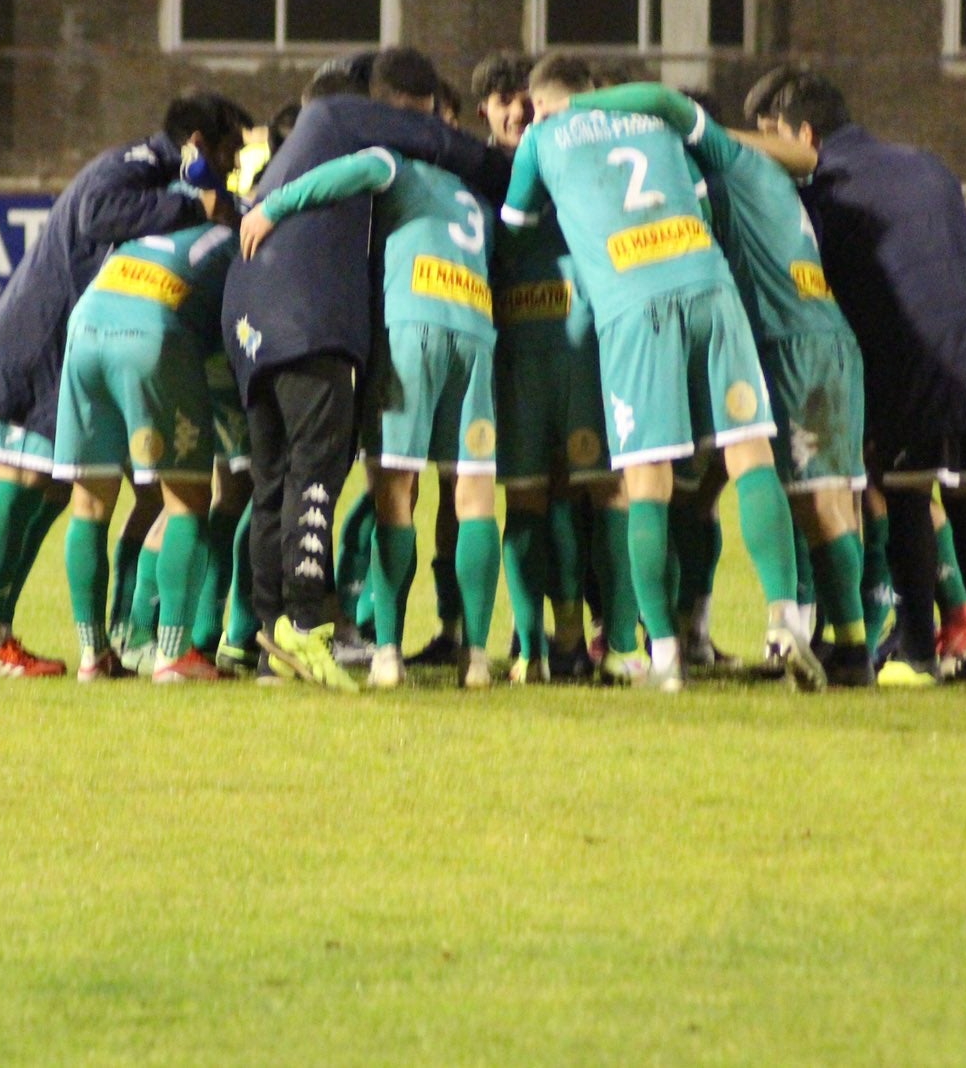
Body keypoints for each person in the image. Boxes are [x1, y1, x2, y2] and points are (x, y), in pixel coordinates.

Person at [502, 52, 807, 693]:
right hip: (708, 284)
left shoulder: (539, 138)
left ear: (538, 103)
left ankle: (663, 654)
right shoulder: (654, 120)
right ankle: (786, 622)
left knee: (646, 481)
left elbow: (517, 224)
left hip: (631, 308)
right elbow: (695, 186)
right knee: (750, 453)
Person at [221, 47, 510, 691]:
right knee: (329, 469)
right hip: (334, 317)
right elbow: (437, 145)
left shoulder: (307, 141)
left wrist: (262, 208)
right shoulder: (369, 136)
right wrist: (510, 165)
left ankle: (273, 641)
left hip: (249, 312)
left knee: (274, 481)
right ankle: (316, 625)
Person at [578, 81, 875, 687]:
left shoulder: (705, 173)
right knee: (801, 493)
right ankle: (833, 639)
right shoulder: (761, 166)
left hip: (778, 340)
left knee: (806, 498)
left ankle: (815, 638)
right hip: (829, 331)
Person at [0, 92, 245, 679]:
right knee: (19, 483)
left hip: (83, 338)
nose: (233, 167)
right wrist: (200, 208)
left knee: (60, 495)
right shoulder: (138, 163)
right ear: (195, 144)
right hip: (47, 340)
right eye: (228, 152)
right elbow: (96, 214)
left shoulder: (162, 179)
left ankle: (10, 638)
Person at [761, 70, 966, 683]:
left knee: (906, 491)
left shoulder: (827, 183)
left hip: (919, 359)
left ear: (804, 133)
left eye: (777, 140)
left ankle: (914, 652)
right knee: (965, 495)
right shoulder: (925, 163)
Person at [52, 193, 241, 683]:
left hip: (85, 329)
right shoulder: (233, 241)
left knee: (90, 505)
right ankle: (175, 655)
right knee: (187, 500)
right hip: (150, 335)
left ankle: (94, 655)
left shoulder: (142, 237)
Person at [476, 50, 605, 684]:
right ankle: (535, 645)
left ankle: (569, 640)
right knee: (531, 500)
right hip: (520, 352)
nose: (521, 115)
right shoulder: (490, 171)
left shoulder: (541, 163)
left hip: (570, 347)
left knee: (571, 499)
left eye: (527, 104)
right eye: (508, 104)